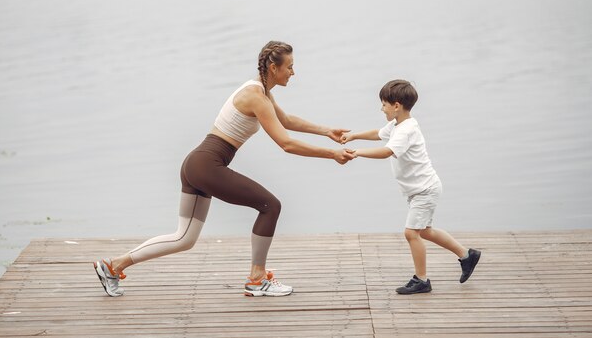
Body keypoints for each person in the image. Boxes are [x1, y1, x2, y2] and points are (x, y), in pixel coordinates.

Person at [94, 41, 355, 297]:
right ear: (274, 68)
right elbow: (285, 143)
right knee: (270, 206)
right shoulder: (255, 96)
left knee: (184, 238)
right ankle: (257, 279)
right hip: (207, 164)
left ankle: (113, 266)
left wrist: (326, 131)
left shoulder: (260, 91)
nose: (293, 73)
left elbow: (285, 120)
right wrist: (331, 153)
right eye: (290, 67)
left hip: (197, 164)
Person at [341, 79, 480, 294]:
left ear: (396, 106)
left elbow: (387, 151)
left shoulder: (406, 130)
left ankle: (421, 280)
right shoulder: (398, 125)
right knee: (424, 231)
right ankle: (466, 255)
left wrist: (358, 152)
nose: (381, 108)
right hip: (420, 189)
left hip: (425, 190)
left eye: (384, 104)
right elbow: (378, 134)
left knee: (411, 233)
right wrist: (354, 135)